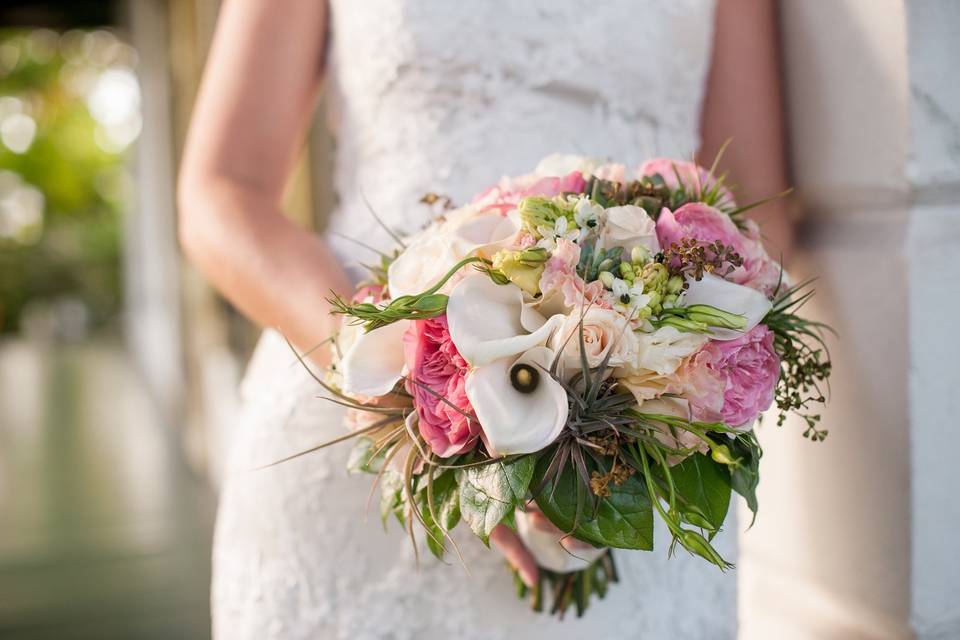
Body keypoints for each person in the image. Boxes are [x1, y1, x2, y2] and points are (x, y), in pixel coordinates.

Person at [178, 1, 790, 637]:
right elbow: (222, 193)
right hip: (358, 418)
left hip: (628, 457)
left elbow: (755, 208)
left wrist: (629, 395)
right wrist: (396, 371)